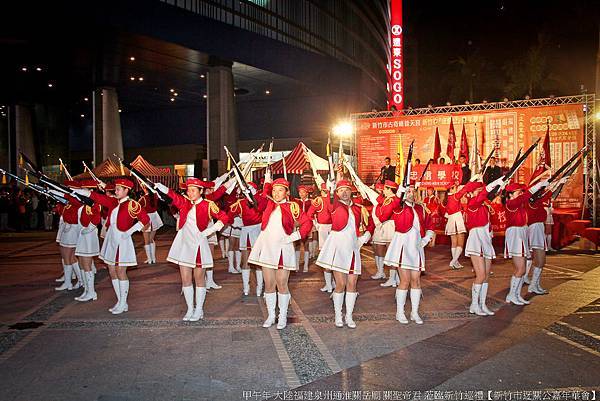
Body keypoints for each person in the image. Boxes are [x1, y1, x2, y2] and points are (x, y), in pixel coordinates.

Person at [154, 178, 230, 321]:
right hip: (183, 243)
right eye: (188, 190)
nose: (190, 193)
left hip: (198, 244)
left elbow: (224, 217)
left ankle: (199, 309)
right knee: (185, 278)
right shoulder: (185, 202)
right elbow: (173, 196)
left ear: (201, 191)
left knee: (199, 278)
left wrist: (209, 231)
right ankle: (190, 309)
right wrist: (162, 188)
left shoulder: (208, 204)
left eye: (193, 190)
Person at [76, 178, 150, 315]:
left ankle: (123, 302)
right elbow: (97, 197)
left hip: (123, 240)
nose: (115, 191)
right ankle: (119, 300)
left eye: (118, 189)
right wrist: (81, 192)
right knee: (112, 270)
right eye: (115, 189)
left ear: (126, 190)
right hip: (111, 237)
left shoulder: (132, 204)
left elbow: (146, 220)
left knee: (121, 271)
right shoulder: (113, 202)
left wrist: (130, 231)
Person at [248, 175, 313, 330]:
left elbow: (307, 223)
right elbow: (257, 200)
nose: (276, 193)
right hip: (267, 247)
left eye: (280, 191)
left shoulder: (292, 206)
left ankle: (282, 315)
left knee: (282, 283)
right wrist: (262, 184)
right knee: (269, 284)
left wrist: (294, 237)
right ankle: (271, 315)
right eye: (274, 190)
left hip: (284, 247)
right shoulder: (267, 204)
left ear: (286, 192)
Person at [316, 180, 374, 328]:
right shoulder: (334, 205)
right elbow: (329, 199)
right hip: (338, 247)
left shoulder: (358, 208)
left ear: (351, 191)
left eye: (347, 189)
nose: (344, 192)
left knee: (352, 283)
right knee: (340, 283)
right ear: (336, 192)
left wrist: (365, 237)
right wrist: (330, 187)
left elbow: (370, 223)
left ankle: (349, 316)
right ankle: (338, 315)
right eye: (340, 190)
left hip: (353, 248)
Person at [378, 183, 434, 324]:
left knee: (416, 280)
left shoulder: (421, 208)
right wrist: (399, 194)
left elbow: (430, 224)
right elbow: (384, 215)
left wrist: (426, 239)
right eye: (408, 191)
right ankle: (400, 312)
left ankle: (414, 312)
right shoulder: (398, 207)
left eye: (413, 191)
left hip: (416, 246)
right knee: (405, 280)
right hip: (403, 245)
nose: (411, 193)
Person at [463, 178, 504, 315]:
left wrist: (500, 184)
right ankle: (474, 305)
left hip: (485, 239)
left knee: (486, 275)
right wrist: (495, 182)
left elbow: (489, 194)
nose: (482, 192)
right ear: (473, 192)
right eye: (479, 190)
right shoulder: (472, 203)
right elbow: (483, 195)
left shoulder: (483, 205)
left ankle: (482, 303)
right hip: (476, 239)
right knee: (480, 275)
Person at [503, 182, 544, 306]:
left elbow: (536, 198)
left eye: (521, 191)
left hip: (521, 232)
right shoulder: (510, 203)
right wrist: (539, 185)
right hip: (515, 233)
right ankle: (511, 294)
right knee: (520, 269)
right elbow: (525, 197)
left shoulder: (519, 203)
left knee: (522, 268)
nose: (521, 193)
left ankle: (516, 295)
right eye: (518, 191)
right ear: (510, 194)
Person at [228, 182, 265, 296]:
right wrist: (233, 222)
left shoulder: (260, 202)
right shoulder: (240, 203)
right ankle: (246, 287)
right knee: (246, 260)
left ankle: (260, 286)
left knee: (258, 262)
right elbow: (228, 214)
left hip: (258, 231)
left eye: (250, 189)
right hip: (246, 231)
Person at [71, 180, 102, 302]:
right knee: (82, 264)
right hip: (82, 235)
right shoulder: (83, 205)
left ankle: (92, 292)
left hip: (90, 236)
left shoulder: (94, 204)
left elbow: (97, 218)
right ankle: (87, 290)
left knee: (87, 265)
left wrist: (90, 227)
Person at [54, 180, 85, 292]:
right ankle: (78, 280)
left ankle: (70, 282)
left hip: (72, 230)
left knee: (68, 257)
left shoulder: (77, 201)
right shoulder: (70, 202)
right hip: (68, 229)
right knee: (69, 257)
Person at [525, 183, 552, 295]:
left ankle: (534, 284)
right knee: (540, 260)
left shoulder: (537, 201)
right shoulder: (532, 202)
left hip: (538, 228)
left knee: (540, 260)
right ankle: (533, 285)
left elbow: (548, 195)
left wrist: (558, 184)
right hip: (535, 229)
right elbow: (544, 196)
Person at [308, 183, 334, 292]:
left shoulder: (320, 200)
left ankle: (330, 284)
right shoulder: (333, 200)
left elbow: (309, 213)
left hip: (326, 228)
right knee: (332, 256)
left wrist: (315, 223)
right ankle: (332, 283)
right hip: (332, 228)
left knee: (326, 256)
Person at [444, 183, 469, 269]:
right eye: (454, 188)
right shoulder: (454, 196)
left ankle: (455, 262)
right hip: (457, 219)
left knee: (454, 243)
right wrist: (472, 180)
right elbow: (465, 189)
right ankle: (453, 261)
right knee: (460, 243)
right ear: (451, 189)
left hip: (451, 220)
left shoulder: (447, 199)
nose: (456, 189)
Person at [139, 186, 164, 264]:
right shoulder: (155, 196)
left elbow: (138, 209)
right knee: (151, 239)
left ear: (145, 189)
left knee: (147, 241)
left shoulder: (143, 198)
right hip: (155, 217)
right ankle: (153, 258)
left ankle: (149, 259)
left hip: (146, 218)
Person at [294, 185, 313, 272]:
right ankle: (297, 265)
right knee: (297, 245)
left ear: (307, 193)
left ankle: (305, 266)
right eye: (300, 192)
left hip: (308, 225)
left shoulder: (311, 202)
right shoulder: (296, 202)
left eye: (303, 192)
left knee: (306, 245)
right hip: (298, 225)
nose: (301, 194)